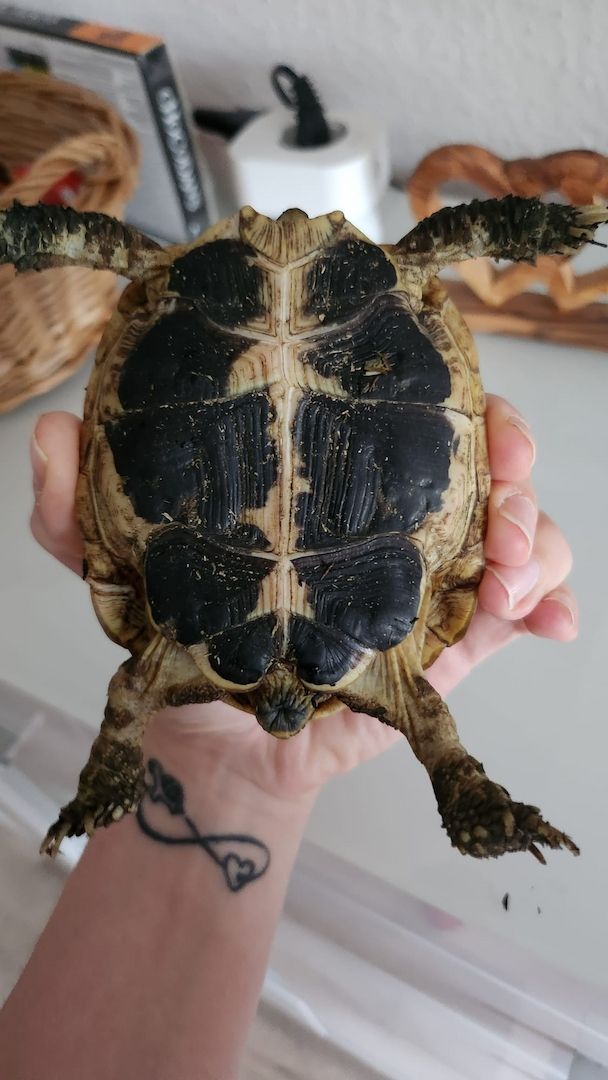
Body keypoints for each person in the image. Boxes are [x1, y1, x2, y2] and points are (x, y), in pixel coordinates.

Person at [0, 398, 576, 1080]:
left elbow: (134, 689)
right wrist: (463, 789)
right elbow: (134, 695)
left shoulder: (172, 657)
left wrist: (145, 771)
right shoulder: (384, 669)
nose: (276, 715)